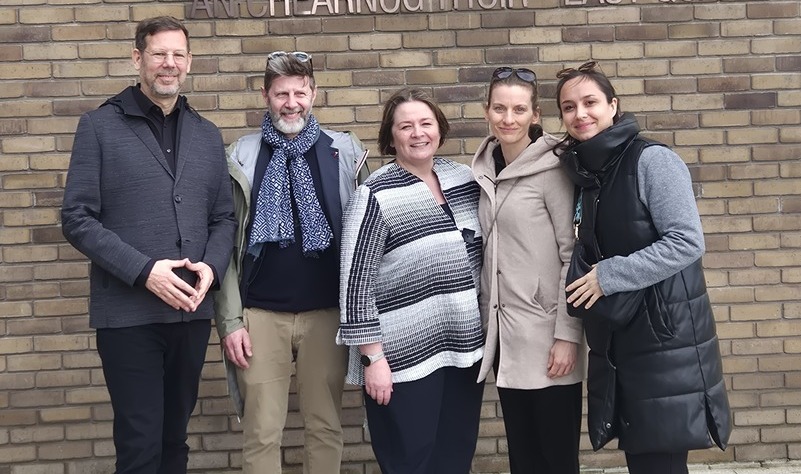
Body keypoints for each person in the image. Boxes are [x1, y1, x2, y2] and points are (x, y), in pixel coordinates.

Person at [60, 16, 236, 474]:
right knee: (140, 446)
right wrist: (145, 271)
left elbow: (223, 218)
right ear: (138, 58)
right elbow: (77, 218)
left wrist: (212, 270)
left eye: (178, 55)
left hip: (190, 314)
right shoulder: (98, 126)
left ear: (190, 62)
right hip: (128, 316)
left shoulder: (207, 133)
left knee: (175, 440)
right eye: (159, 54)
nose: (168, 64)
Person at [554, 61, 731, 474]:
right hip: (626, 339)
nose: (580, 114)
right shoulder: (590, 173)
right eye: (568, 107)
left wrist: (607, 276)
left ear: (613, 106)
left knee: (660, 461)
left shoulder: (651, 160)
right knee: (644, 459)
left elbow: (687, 240)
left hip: (666, 342)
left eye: (590, 102)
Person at [213, 50, 366, 474]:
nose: (291, 102)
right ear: (265, 95)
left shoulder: (344, 152)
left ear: (314, 93)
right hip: (260, 316)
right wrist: (230, 321)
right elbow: (223, 244)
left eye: (300, 92)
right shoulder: (241, 155)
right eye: (282, 93)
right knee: (262, 431)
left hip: (327, 315)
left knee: (325, 427)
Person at [337, 88, 485, 474]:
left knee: (454, 456)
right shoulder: (374, 195)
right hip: (402, 359)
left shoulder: (464, 180)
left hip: (463, 351)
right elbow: (355, 286)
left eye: (426, 123)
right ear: (391, 136)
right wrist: (373, 359)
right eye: (406, 126)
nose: (417, 133)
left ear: (440, 129)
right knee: (410, 461)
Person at [471, 67, 585, 473]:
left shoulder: (555, 169)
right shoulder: (482, 168)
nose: (508, 118)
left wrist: (568, 335)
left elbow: (573, 255)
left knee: (555, 458)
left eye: (519, 109)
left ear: (535, 115)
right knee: (524, 457)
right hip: (505, 340)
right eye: (499, 108)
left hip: (549, 337)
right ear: (486, 111)